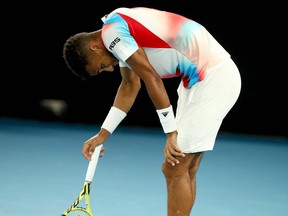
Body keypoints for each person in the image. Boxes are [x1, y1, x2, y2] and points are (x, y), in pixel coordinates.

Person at [63, 7, 241, 216]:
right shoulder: (116, 29)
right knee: (185, 168)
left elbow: (151, 78)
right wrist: (103, 134)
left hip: (212, 77)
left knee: (174, 167)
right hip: (196, 81)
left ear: (94, 48)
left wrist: (170, 132)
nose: (108, 70)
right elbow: (130, 86)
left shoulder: (113, 35)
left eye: (101, 67)